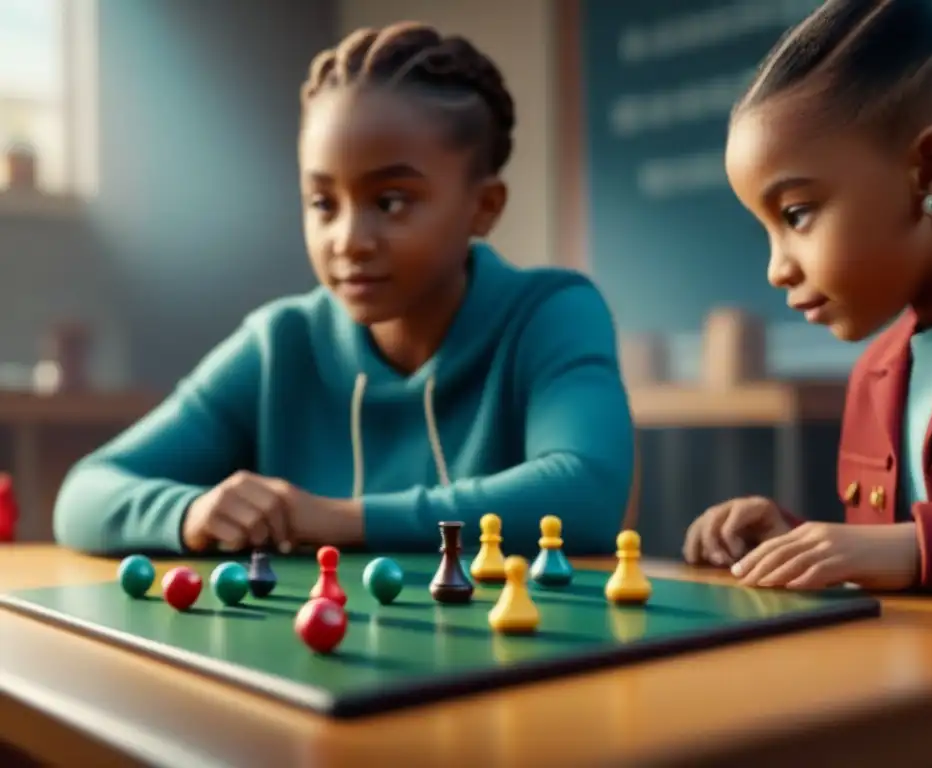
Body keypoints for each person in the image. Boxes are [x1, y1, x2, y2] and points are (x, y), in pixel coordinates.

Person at [53, 23, 635, 558]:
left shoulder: (552, 313)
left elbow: (586, 492)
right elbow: (84, 494)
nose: (348, 240)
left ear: (483, 207)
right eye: (322, 203)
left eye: (391, 202)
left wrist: (337, 519)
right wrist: (189, 512)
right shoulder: (278, 345)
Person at [684, 0, 932, 592]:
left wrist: (913, 547)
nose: (775, 270)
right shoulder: (875, 373)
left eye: (797, 213)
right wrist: (797, 541)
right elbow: (893, 560)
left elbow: (911, 549)